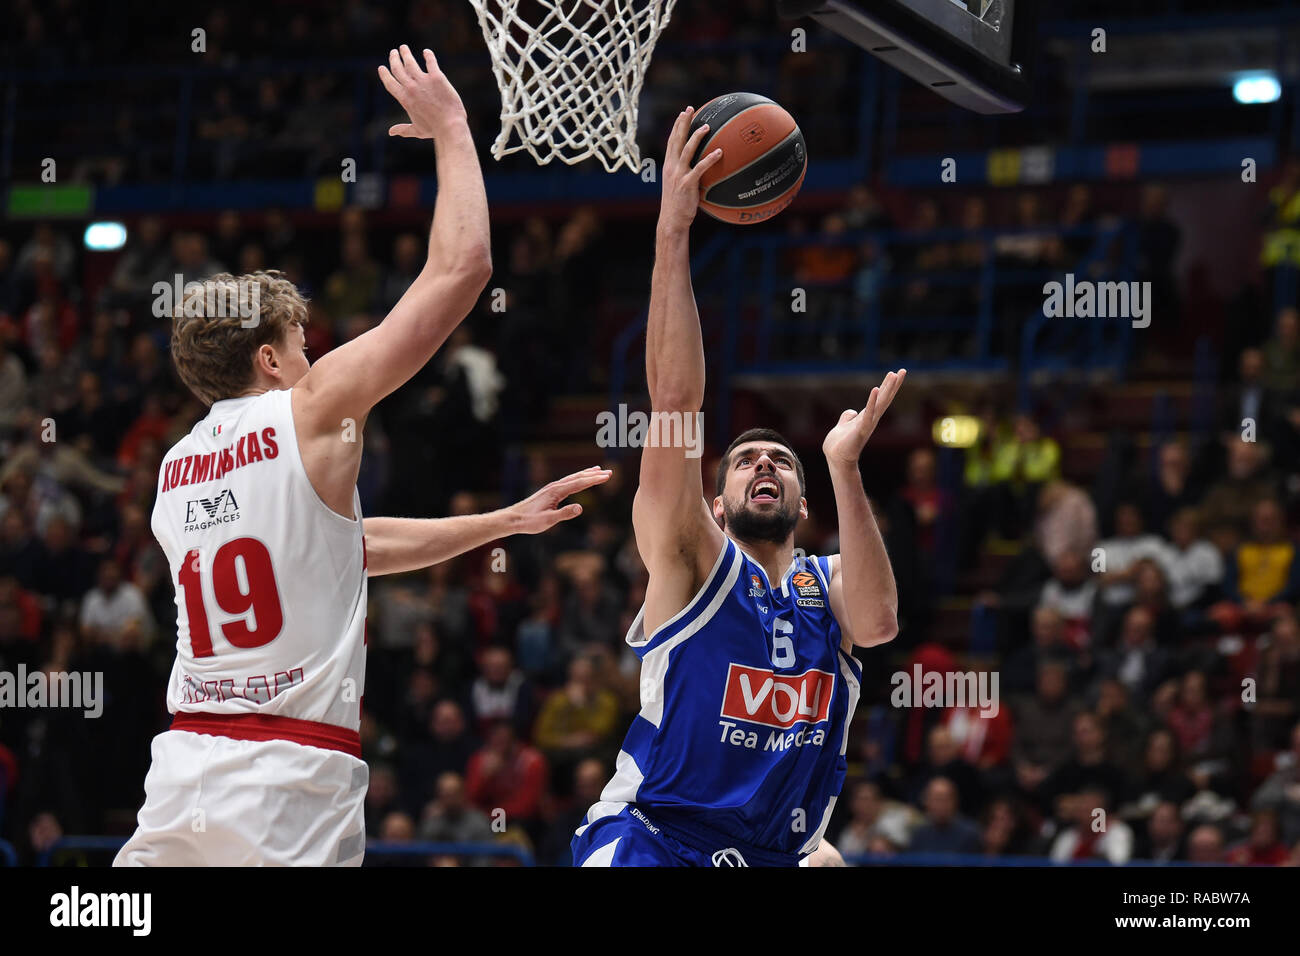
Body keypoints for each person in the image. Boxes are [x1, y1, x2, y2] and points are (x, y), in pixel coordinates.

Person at [116, 47, 608, 867]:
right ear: (270, 361)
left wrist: (502, 522)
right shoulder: (305, 409)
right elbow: (462, 271)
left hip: (183, 768)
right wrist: (454, 129)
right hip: (289, 777)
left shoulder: (172, 471)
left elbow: (344, 549)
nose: (315, 357)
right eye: (301, 341)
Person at [571, 108, 903, 867]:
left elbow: (881, 623)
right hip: (653, 841)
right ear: (714, 505)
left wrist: (845, 466)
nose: (764, 465)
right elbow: (677, 403)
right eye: (747, 459)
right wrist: (673, 232)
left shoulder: (832, 589)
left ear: (803, 501)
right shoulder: (692, 560)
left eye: (782, 462)